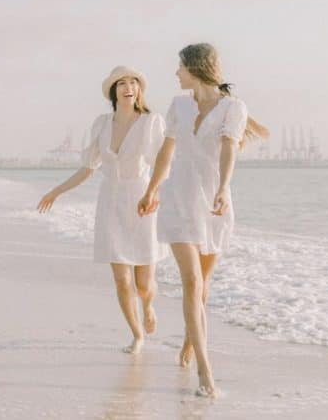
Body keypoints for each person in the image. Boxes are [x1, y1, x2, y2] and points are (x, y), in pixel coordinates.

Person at [137, 43, 268, 397]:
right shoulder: (178, 106)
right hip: (179, 200)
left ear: (195, 68)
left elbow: (228, 149)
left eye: (180, 67)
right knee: (192, 282)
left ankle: (190, 338)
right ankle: (206, 374)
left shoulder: (234, 108)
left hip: (213, 204)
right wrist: (152, 190)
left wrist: (224, 189)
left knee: (203, 284)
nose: (176, 74)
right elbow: (167, 151)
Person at [38, 66, 167, 354]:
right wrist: (56, 192)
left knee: (144, 284)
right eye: (121, 83)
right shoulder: (101, 124)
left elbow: (162, 161)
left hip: (142, 201)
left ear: (139, 90)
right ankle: (137, 336)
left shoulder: (151, 122)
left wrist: (154, 192)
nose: (128, 86)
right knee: (122, 280)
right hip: (110, 202)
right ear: (114, 91)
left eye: (133, 82)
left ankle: (148, 305)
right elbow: (88, 168)